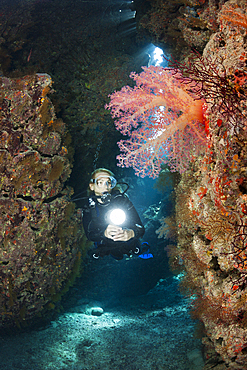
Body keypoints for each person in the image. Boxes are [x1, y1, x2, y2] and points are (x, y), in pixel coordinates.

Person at [82, 168, 146, 260]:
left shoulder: (123, 201)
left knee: (140, 250)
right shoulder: (89, 207)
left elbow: (141, 228)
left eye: (108, 182)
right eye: (100, 182)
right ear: (92, 186)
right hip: (106, 246)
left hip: (129, 244)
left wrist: (131, 233)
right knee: (115, 256)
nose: (105, 186)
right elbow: (89, 235)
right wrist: (104, 233)